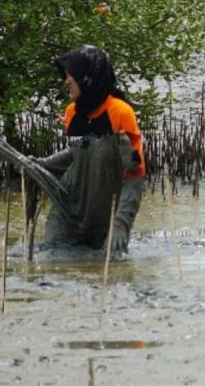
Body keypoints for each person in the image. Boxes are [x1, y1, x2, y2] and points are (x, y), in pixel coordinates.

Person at [34, 45, 145, 253]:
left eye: (71, 75)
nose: (66, 81)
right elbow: (77, 153)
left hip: (106, 223)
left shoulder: (121, 113)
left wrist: (121, 223)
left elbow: (134, 175)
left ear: (88, 77)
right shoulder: (72, 113)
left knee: (108, 273)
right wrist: (42, 164)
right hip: (67, 216)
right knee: (49, 264)